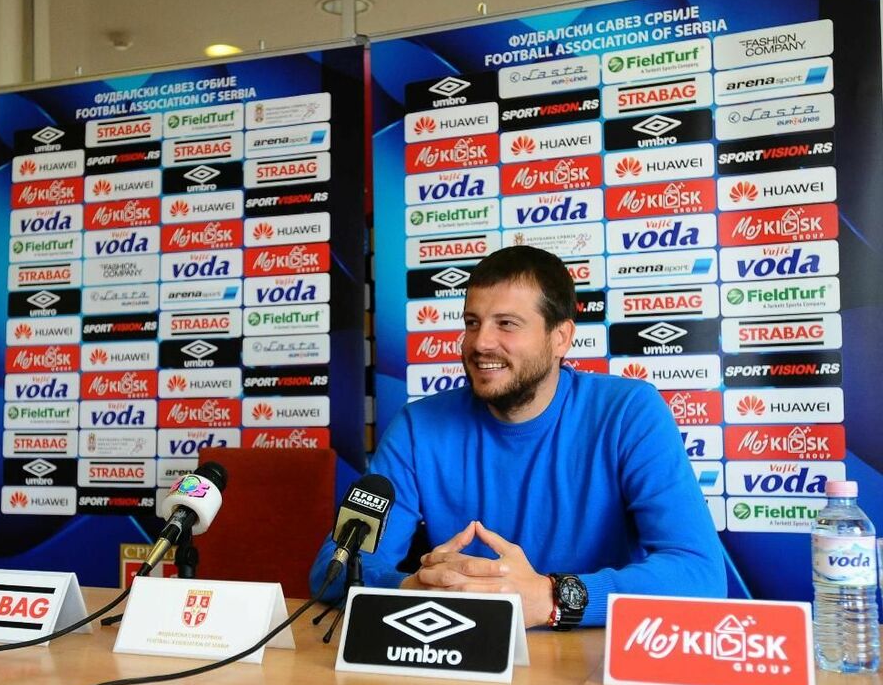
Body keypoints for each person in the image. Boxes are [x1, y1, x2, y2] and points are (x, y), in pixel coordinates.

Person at [310, 245, 725, 628]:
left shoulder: (629, 412)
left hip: (589, 663)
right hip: (459, 651)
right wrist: (408, 590)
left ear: (560, 337)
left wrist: (551, 598)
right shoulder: (417, 426)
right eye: (472, 323)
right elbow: (333, 567)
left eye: (506, 324)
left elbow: (700, 574)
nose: (480, 343)